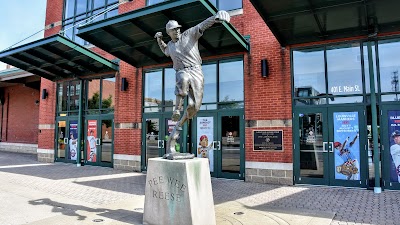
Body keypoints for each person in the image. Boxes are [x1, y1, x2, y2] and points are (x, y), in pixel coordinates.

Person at [155, 10, 230, 156]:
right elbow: (165, 50)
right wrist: (159, 40)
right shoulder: (170, 45)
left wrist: (215, 17)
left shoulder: (189, 34)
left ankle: (178, 127)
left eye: (177, 29)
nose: (177, 31)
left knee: (194, 107)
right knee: (182, 79)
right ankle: (177, 109)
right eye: (173, 30)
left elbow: (202, 25)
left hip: (196, 70)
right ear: (168, 33)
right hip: (182, 71)